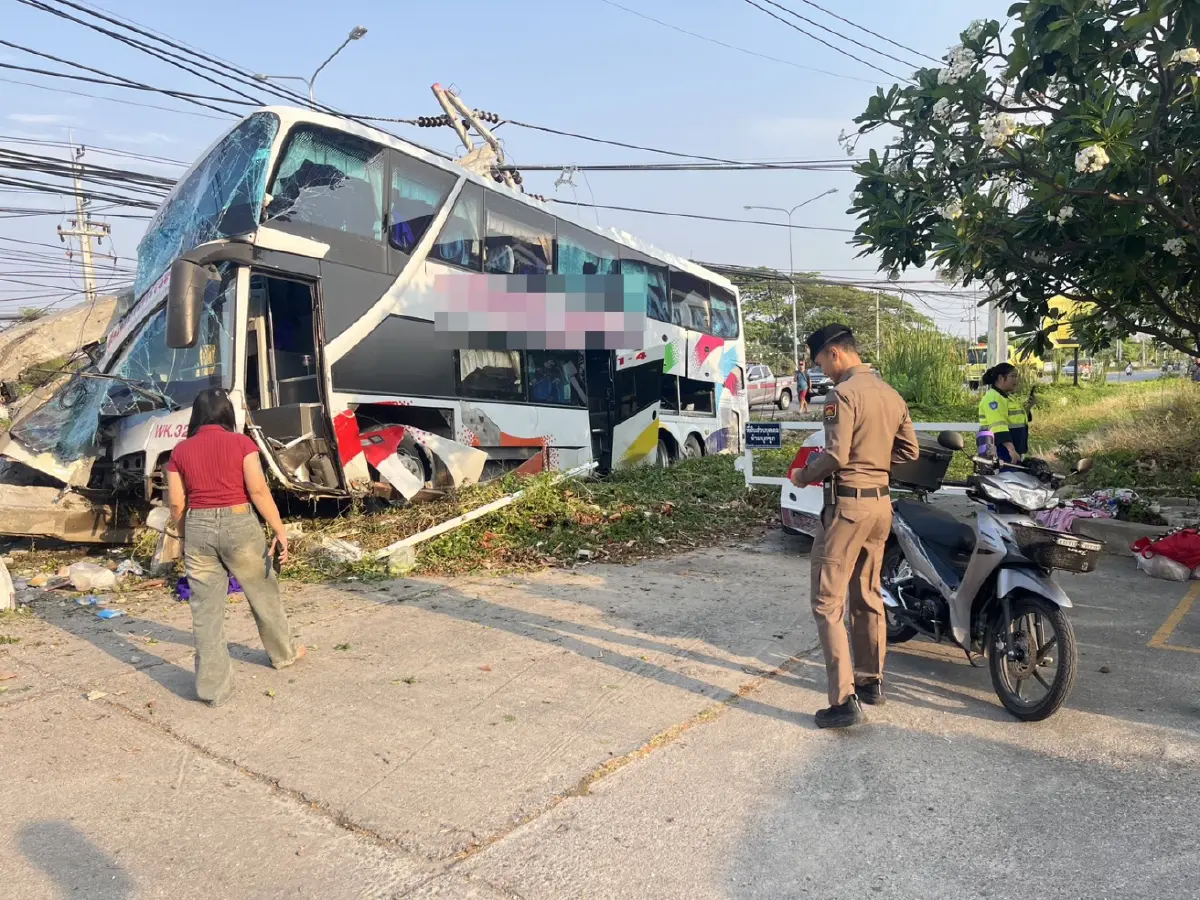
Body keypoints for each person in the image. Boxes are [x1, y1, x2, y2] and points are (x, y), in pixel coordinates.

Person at [789, 325, 919, 728]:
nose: (823, 372)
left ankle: (843, 700)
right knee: (867, 593)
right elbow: (910, 451)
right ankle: (870, 680)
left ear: (835, 354)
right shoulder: (891, 394)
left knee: (827, 602)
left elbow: (835, 455)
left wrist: (803, 475)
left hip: (847, 508)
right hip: (881, 506)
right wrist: (876, 467)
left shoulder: (842, 394)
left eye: (821, 363)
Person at [166, 388, 305, 706]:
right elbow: (257, 489)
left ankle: (212, 689)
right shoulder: (242, 443)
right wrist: (279, 529)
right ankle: (283, 654)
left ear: (197, 416)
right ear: (227, 413)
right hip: (239, 524)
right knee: (263, 592)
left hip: (198, 525)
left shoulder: (180, 451)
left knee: (206, 610)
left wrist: (188, 535)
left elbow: (176, 503)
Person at [977, 363, 1031, 463]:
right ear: (1001, 378)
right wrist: (1011, 450)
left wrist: (1029, 406)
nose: (1016, 380)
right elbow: (999, 427)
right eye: (1013, 376)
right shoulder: (994, 399)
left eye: (1016, 377)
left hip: (1012, 449)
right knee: (1007, 477)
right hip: (1001, 450)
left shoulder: (1007, 397)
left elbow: (1016, 419)